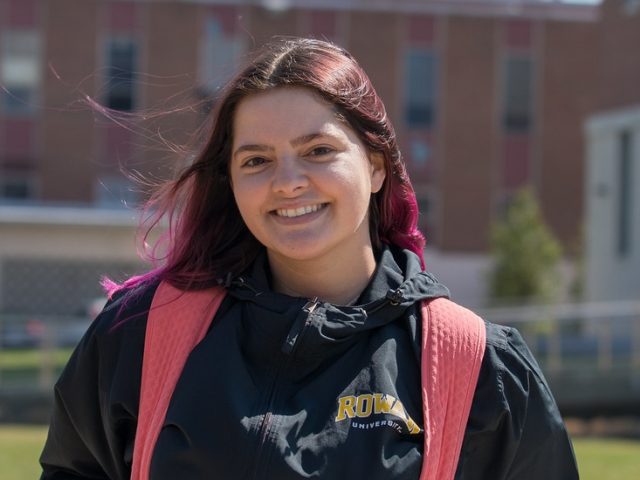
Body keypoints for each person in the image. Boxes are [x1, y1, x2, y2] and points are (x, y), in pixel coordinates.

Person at [39, 37, 578, 479]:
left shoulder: (480, 367)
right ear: (230, 181)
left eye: (319, 151)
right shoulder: (140, 332)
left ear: (375, 167)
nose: (288, 182)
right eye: (257, 160)